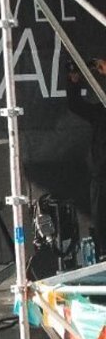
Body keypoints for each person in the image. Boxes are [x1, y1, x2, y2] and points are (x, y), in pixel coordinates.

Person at [66, 59, 106, 251]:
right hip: (101, 178)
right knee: (101, 226)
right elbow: (75, 105)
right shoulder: (100, 112)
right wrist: (74, 81)